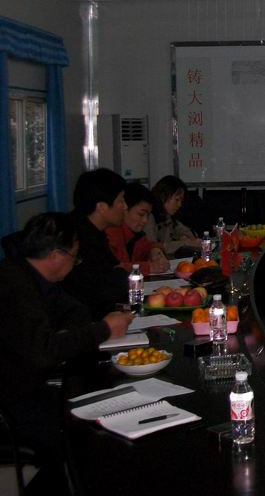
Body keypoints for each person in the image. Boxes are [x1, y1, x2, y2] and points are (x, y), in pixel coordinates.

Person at [0, 212, 132, 495]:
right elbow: (43, 352)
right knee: (86, 430)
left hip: (32, 382)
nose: (76, 263)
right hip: (12, 399)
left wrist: (71, 336)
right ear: (55, 255)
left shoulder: (36, 278)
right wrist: (103, 330)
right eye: (75, 256)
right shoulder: (13, 284)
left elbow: (76, 312)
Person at [62, 168, 131, 319]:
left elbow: (116, 273)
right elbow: (106, 289)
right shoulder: (75, 238)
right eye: (121, 201)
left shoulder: (93, 231)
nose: (126, 207)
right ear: (101, 207)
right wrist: (119, 275)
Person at [105, 182, 170, 275]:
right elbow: (114, 268)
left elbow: (148, 245)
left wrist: (155, 250)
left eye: (148, 215)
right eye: (141, 214)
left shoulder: (135, 234)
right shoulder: (111, 232)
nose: (145, 220)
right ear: (124, 208)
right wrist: (149, 267)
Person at [143, 175, 201, 256]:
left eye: (181, 201)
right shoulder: (148, 217)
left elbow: (187, 233)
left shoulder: (168, 217)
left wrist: (184, 237)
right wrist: (185, 243)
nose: (179, 205)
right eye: (177, 200)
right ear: (163, 196)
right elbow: (153, 247)